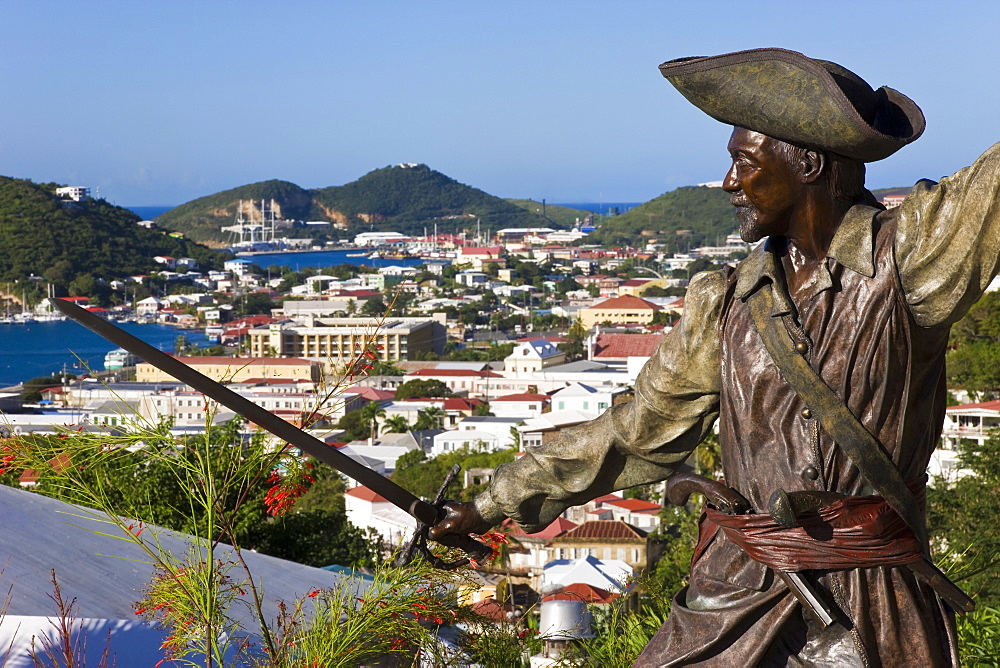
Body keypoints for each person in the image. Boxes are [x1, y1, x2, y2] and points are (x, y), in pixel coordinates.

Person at [431, 48, 1000, 666]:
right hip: (735, 595)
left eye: (743, 163)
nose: (729, 183)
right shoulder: (724, 303)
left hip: (875, 599)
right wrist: (493, 502)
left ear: (807, 163)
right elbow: (635, 431)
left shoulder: (911, 257)